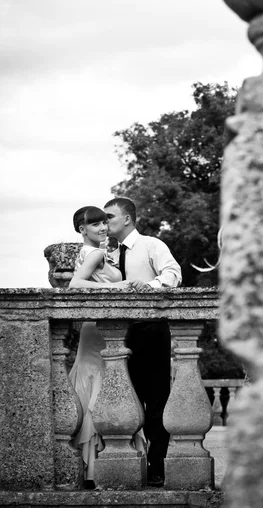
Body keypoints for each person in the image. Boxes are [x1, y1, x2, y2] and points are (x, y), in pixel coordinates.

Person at [104, 197, 182, 487]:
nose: (105, 221)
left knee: (156, 400)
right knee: (123, 397)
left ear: (126, 218)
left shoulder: (152, 245)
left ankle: (157, 465)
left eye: (109, 216)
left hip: (151, 330)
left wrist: (147, 287)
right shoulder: (107, 254)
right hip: (118, 334)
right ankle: (124, 462)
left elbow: (174, 275)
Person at [68, 205, 130, 489]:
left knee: (95, 388)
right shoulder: (93, 253)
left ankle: (91, 468)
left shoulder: (89, 252)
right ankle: (98, 468)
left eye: (105, 223)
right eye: (96, 225)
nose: (104, 229)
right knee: (100, 389)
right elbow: (75, 284)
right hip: (97, 332)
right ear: (83, 229)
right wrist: (119, 287)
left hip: (94, 329)